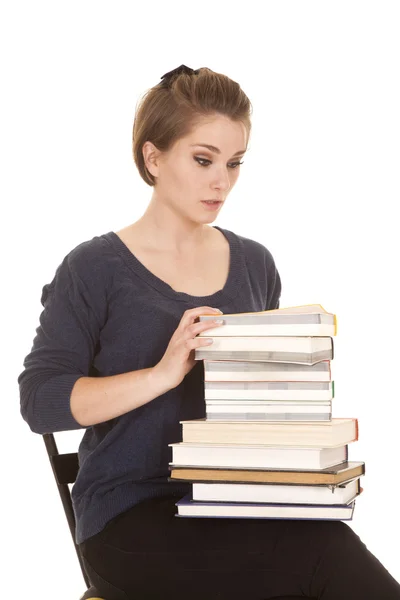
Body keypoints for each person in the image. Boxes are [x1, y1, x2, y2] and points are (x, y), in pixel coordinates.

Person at [18, 64, 400, 600]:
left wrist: (299, 411)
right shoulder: (93, 268)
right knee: (321, 557)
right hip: (129, 517)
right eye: (202, 160)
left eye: (235, 163)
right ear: (153, 158)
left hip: (236, 500)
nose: (222, 181)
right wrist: (162, 373)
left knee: (323, 539)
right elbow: (40, 402)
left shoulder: (253, 263)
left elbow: (252, 406)